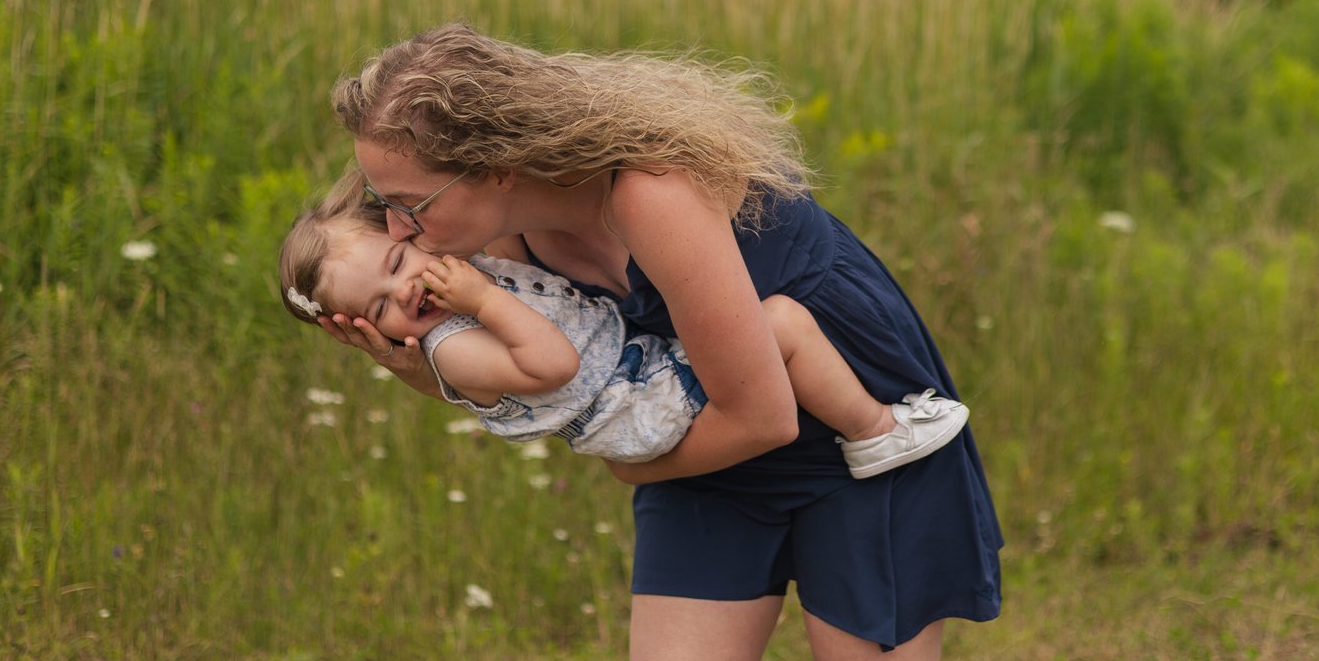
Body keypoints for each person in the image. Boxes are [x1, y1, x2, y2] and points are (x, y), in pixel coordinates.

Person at [315, 23, 1001, 661]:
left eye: (411, 205)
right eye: (383, 205)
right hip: (705, 430)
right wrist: (416, 368)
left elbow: (764, 416)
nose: (398, 230)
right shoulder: (495, 250)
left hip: (854, 429)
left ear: (499, 166)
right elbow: (542, 383)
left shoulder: (652, 188)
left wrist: (627, 468)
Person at [278, 199, 970, 476]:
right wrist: (482, 298)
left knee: (762, 329)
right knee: (781, 324)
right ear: (365, 331)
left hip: (641, 374)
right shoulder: (451, 346)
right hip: (638, 407)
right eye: (381, 305)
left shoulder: (457, 279)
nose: (406, 290)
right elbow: (552, 361)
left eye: (399, 262)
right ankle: (876, 431)